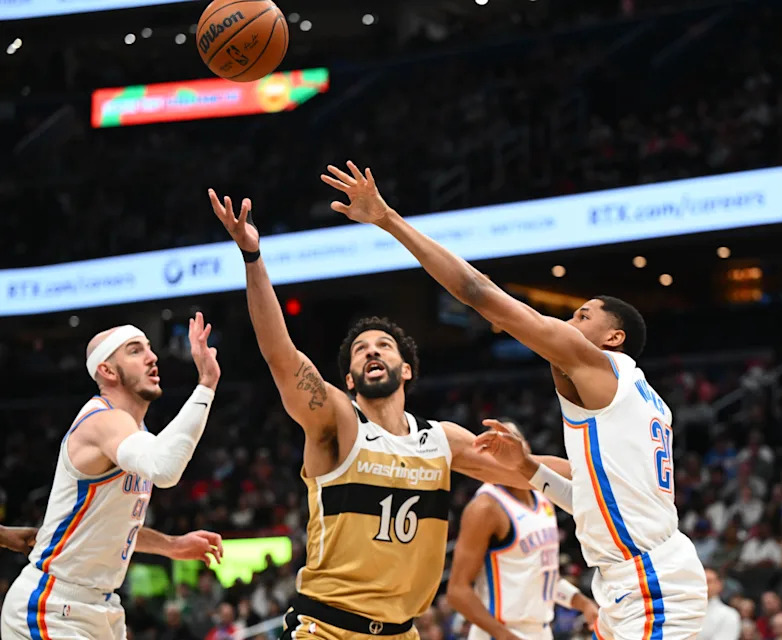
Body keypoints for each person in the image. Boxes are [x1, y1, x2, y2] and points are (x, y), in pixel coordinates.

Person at [319, 162, 708, 639]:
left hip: (650, 583)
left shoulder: (599, 368)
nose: (569, 322)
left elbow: (477, 292)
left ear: (613, 338)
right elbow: (592, 497)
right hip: (631, 580)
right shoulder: (638, 401)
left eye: (582, 316)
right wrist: (528, 469)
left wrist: (388, 219)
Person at [209, 191, 572, 640]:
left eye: (384, 346)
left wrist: (613, 476)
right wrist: (252, 256)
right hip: (326, 630)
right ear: (349, 379)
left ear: (406, 369)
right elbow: (281, 356)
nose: (372, 351)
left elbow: (528, 472)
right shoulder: (338, 422)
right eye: (361, 350)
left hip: (402, 632)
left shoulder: (442, 440)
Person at [0, 315, 226, 640]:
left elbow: (116, 525)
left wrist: (172, 545)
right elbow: (166, 468)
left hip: (100, 607)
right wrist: (206, 383)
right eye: (135, 351)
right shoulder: (103, 421)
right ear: (107, 371)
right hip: (52, 605)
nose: (152, 357)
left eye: (150, 348)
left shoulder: (135, 434)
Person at [447, 418, 599, 640]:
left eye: (510, 439)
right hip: (499, 632)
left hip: (541, 630)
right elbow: (457, 591)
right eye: (494, 445)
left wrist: (583, 603)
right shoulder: (486, 507)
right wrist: (505, 635)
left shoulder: (544, 497)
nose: (503, 448)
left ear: (525, 447)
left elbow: (540, 575)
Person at [698, 569, 740, 640]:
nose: (703, 584)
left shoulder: (729, 614)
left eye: (708, 581)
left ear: (719, 585)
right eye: (700, 581)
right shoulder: (682, 608)